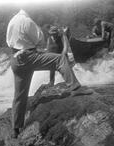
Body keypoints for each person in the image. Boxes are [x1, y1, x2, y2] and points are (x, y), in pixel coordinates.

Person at [6, 9, 93, 138]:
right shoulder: (27, 20)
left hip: (15, 59)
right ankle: (75, 88)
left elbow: (9, 41)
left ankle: (16, 128)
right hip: (29, 56)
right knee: (60, 59)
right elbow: (39, 39)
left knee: (19, 95)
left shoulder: (12, 21)